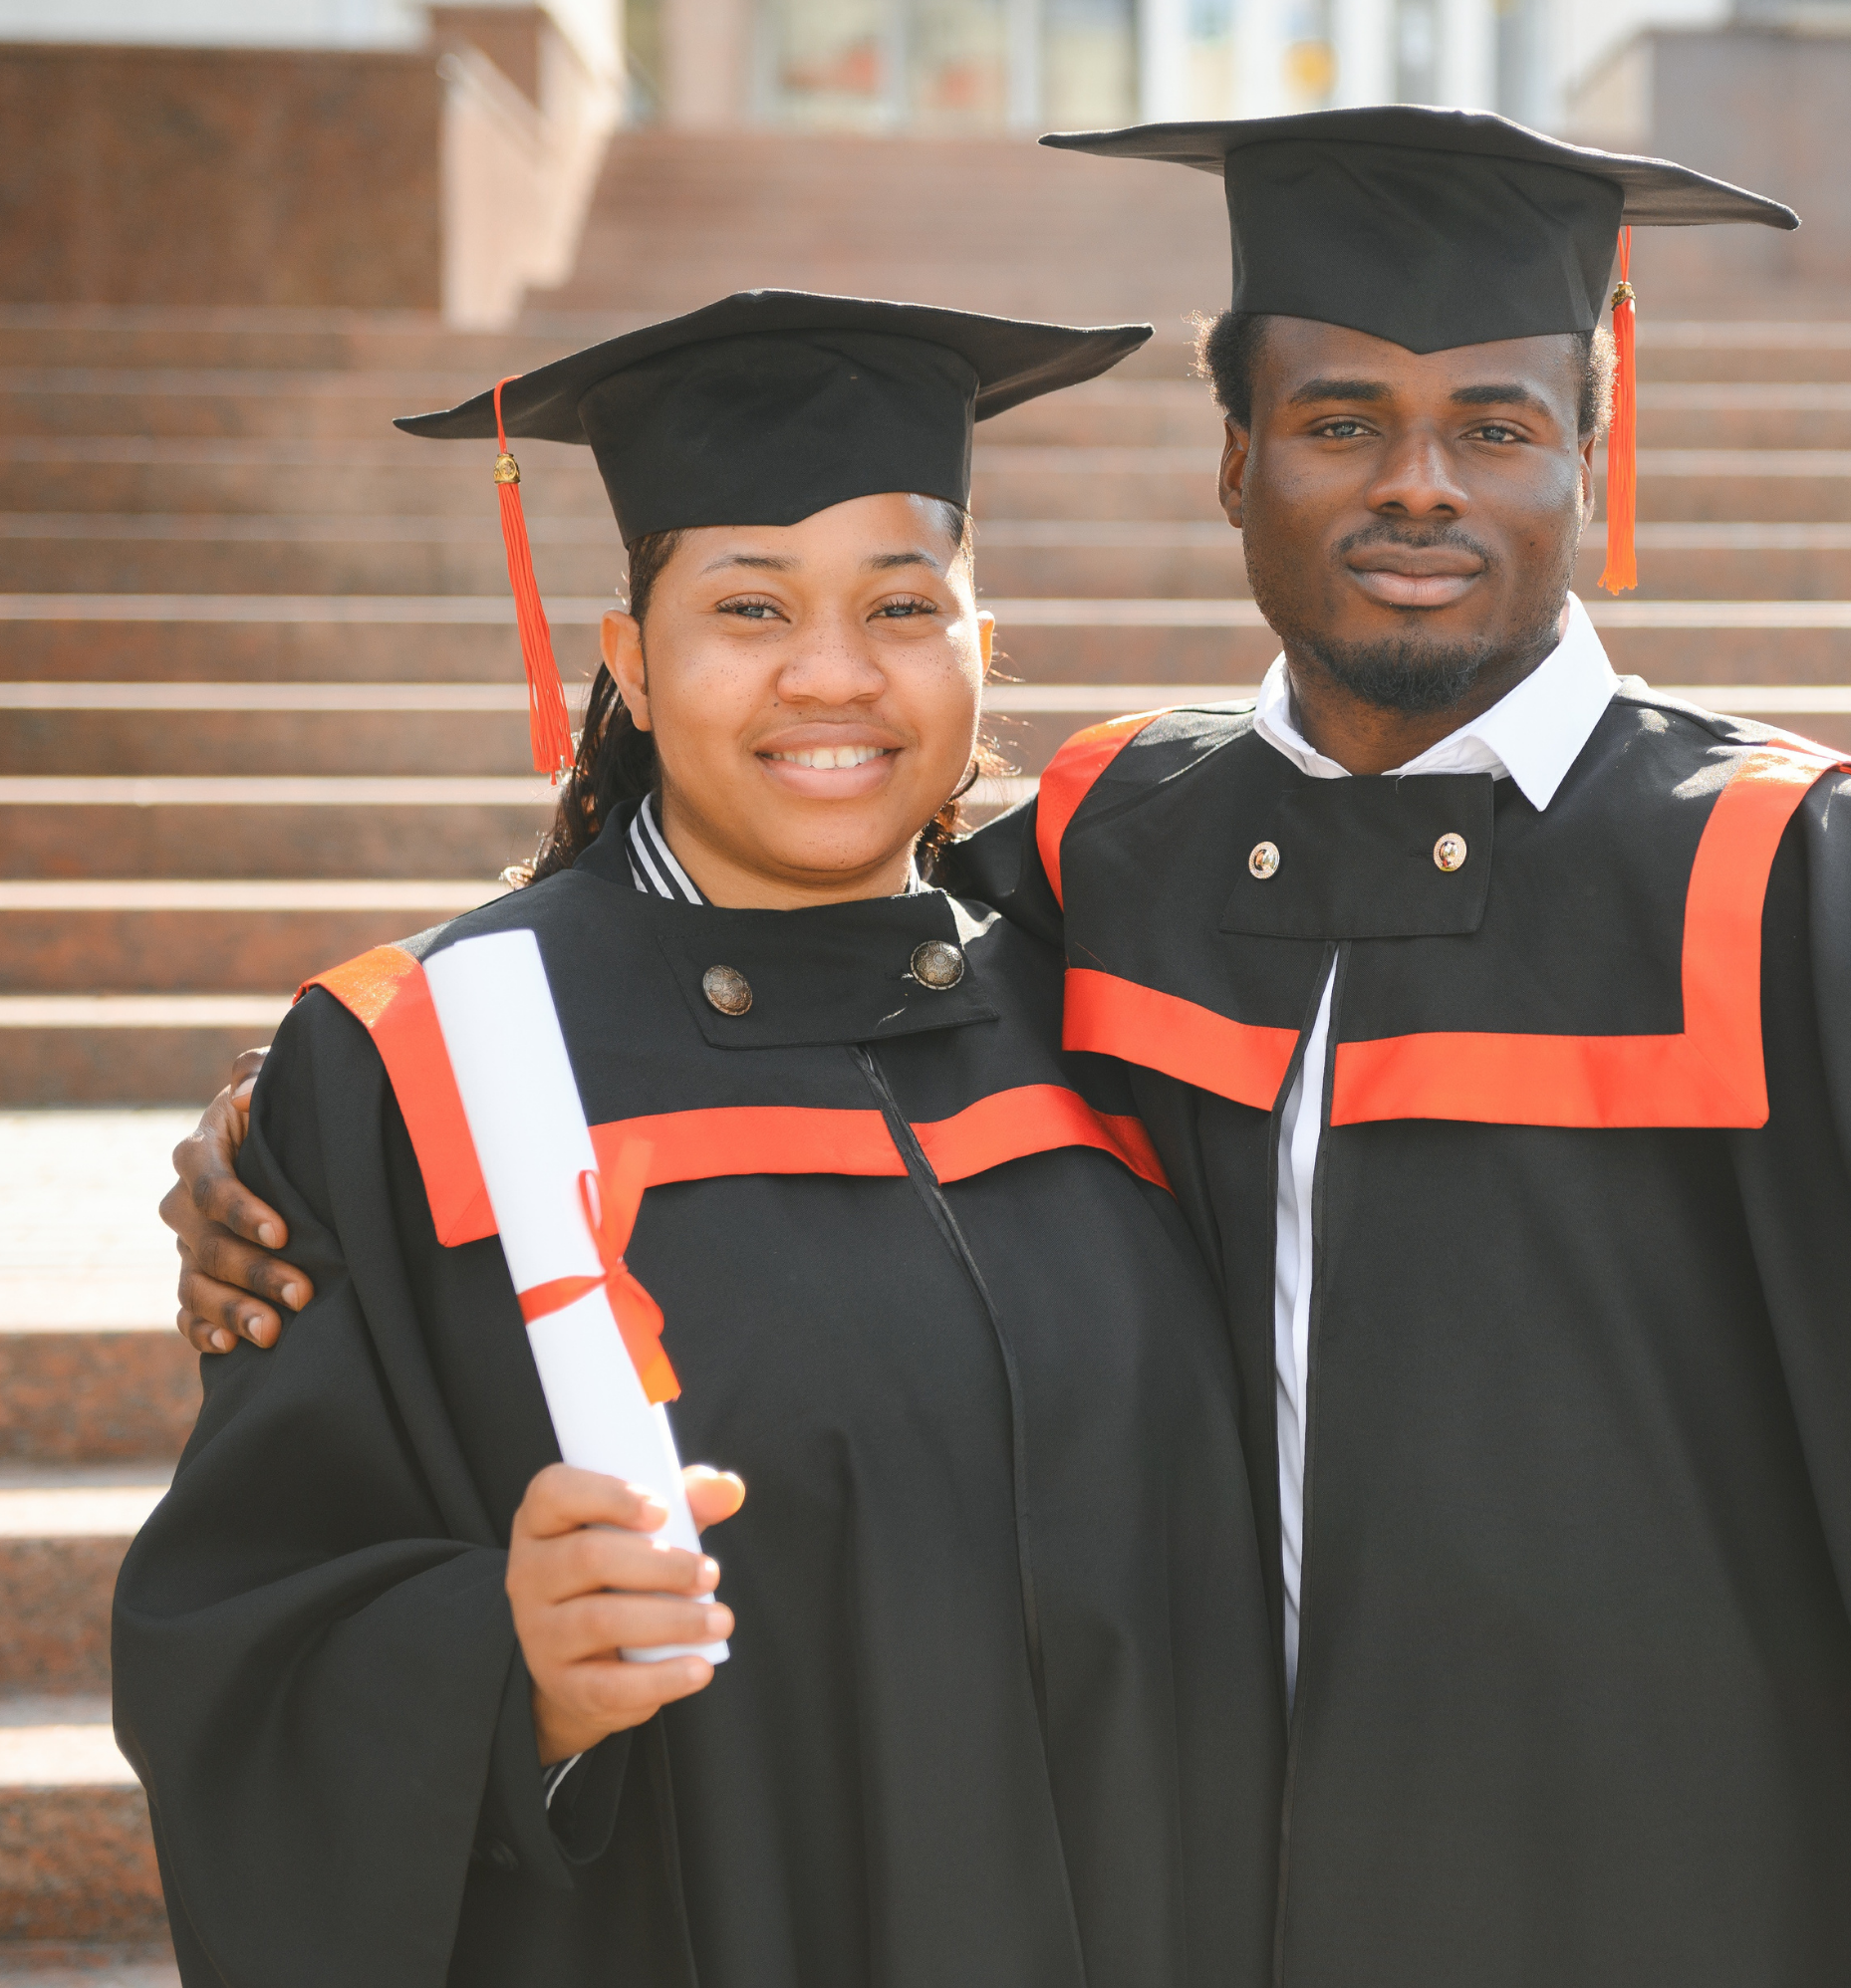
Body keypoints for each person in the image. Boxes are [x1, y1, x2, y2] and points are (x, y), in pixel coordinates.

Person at [166, 114, 1851, 1987]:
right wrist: (314, 1142)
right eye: (1338, 416)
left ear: (1587, 446)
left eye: (1492, 421)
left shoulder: (1769, 869)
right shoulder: (1111, 842)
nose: (1417, 482)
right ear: (1233, 460)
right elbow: (760, 931)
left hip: (1644, 1904)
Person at [114, 293, 1282, 1988]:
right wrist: (514, 1674)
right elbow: (242, 1641)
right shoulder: (418, 1064)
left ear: (980, 642)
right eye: (749, 606)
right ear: (631, 660)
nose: (834, 673)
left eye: (902, 606)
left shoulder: (1107, 1004)